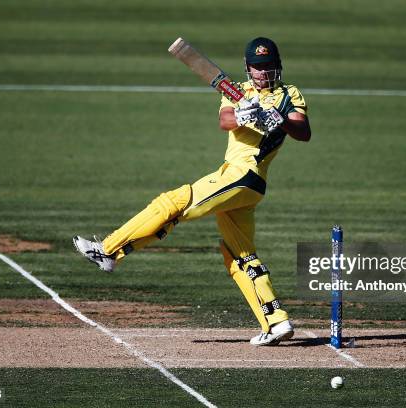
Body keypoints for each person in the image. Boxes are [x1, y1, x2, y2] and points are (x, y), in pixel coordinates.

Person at [73, 37, 311, 346]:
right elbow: (225, 120)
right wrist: (244, 114)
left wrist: (279, 122)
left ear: (277, 67)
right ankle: (276, 322)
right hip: (235, 178)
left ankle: (109, 249)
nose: (262, 74)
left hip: (247, 176)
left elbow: (303, 131)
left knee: (174, 201)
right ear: (248, 69)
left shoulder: (288, 94)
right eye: (257, 68)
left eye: (268, 68)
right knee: (238, 253)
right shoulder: (238, 91)